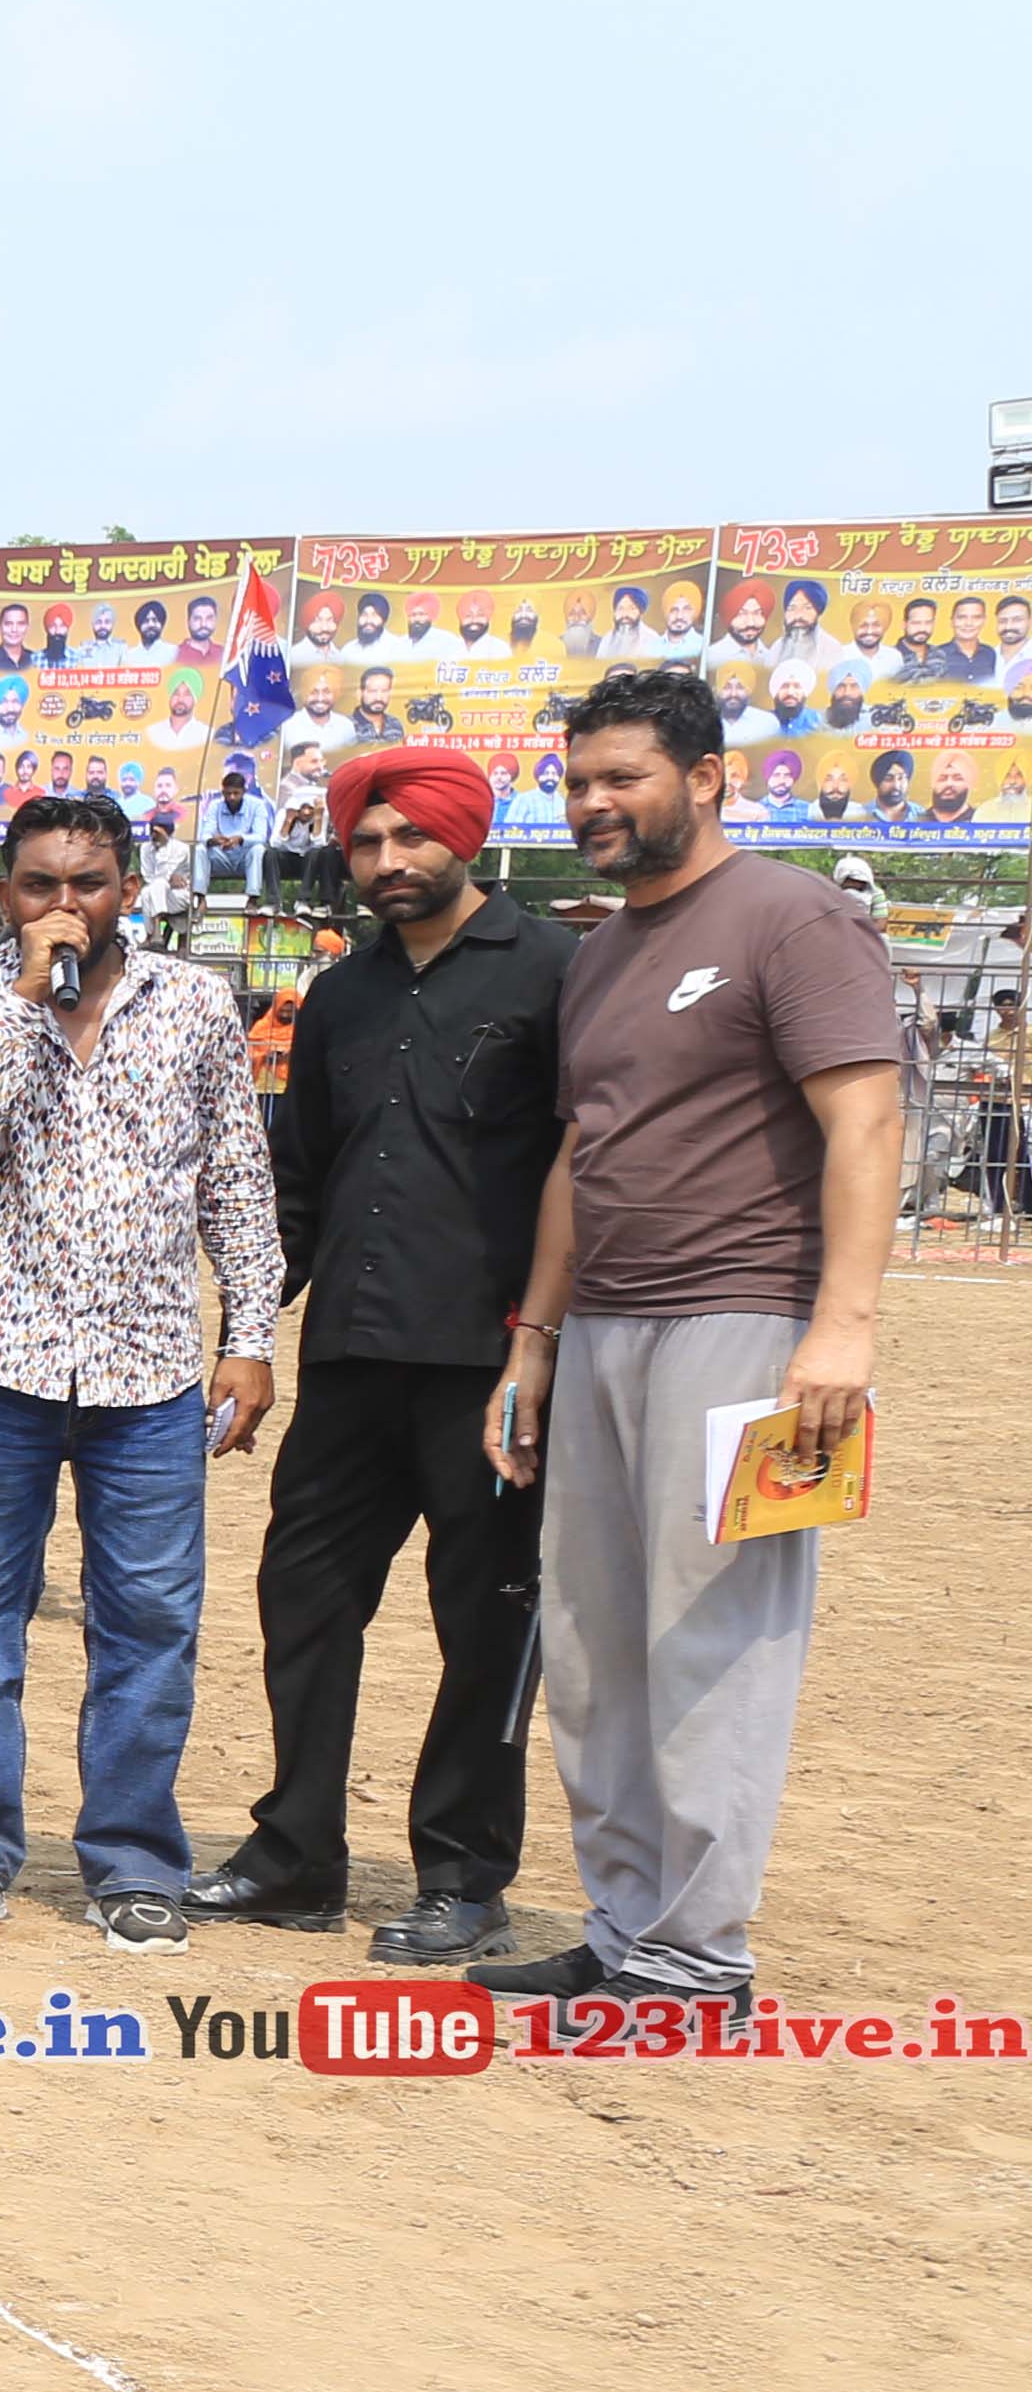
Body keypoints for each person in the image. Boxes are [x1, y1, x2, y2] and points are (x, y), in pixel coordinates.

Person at [467, 667, 902, 2012]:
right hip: (604, 1324)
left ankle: (697, 1957)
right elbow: (579, 1154)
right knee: (593, 1642)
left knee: (713, 1639)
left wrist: (840, 1332)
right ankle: (625, 1930)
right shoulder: (602, 953)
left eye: (624, 778)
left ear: (707, 778)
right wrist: (535, 1340)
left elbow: (866, 1119)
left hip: (745, 1322)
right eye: (577, 781)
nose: (592, 803)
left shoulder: (795, 918)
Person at [186, 742, 562, 1961]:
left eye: (410, 837)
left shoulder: (558, 973)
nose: (388, 860)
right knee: (303, 1597)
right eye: (366, 842)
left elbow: (584, 1170)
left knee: (485, 1620)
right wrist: (250, 1332)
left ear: (467, 838)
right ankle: (296, 1854)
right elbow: (297, 1182)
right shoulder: (340, 994)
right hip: (349, 1353)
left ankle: (462, 1872)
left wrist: (545, 1345)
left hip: (492, 1368)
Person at [0, 792, 284, 1951]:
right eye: (41, 885)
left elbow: (237, 1180)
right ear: (7, 894)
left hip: (151, 1376)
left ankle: (131, 1860)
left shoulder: (196, 1004)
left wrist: (251, 1338)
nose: (64, 905)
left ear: (128, 889)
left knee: (150, 1626)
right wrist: (28, 997)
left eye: (87, 884)